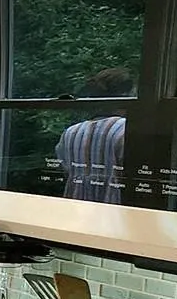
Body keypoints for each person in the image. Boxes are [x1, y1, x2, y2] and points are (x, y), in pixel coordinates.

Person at [54, 66, 133, 203]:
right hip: (113, 211)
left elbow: (65, 168)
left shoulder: (71, 133)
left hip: (75, 210)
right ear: (125, 97)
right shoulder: (125, 128)